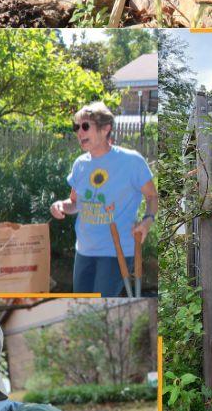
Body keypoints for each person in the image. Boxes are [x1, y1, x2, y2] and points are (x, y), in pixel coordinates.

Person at [50, 102, 159, 297]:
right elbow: (75, 203)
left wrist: (147, 220)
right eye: (76, 127)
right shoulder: (80, 164)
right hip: (84, 250)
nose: (79, 132)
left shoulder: (131, 161)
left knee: (101, 307)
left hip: (116, 250)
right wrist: (60, 206)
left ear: (105, 128)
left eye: (85, 126)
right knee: (81, 306)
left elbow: (152, 196)